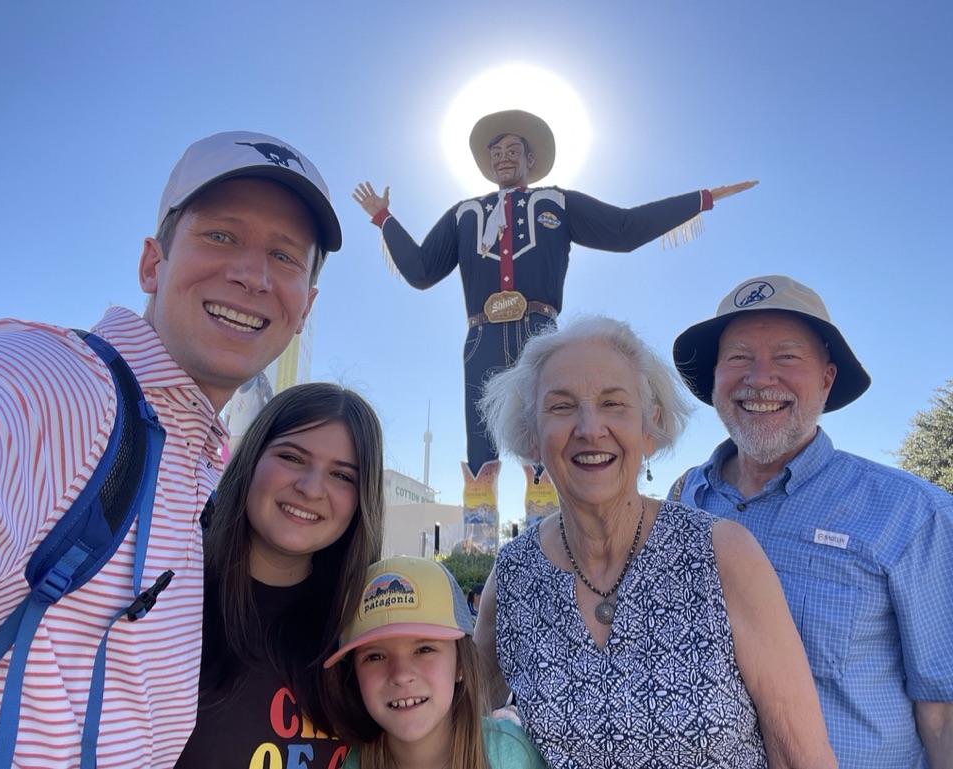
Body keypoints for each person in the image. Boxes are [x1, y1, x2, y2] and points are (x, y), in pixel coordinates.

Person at [0, 131, 343, 767]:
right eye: (222, 235)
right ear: (153, 263)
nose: (253, 275)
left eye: (286, 257)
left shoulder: (200, 468)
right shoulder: (56, 385)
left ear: (306, 306)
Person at [354, 108, 756, 535]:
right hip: (481, 336)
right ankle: (477, 548)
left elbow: (625, 227)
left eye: (513, 150)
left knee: (548, 437)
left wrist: (702, 199)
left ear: (530, 159)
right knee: (479, 448)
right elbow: (420, 269)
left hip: (537, 335)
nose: (504, 158)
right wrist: (384, 218)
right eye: (496, 152)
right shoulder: (464, 214)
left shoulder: (556, 203)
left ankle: (547, 544)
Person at [474, 315, 837, 768]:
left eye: (614, 404)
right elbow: (456, 732)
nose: (590, 427)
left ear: (649, 428)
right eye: (562, 407)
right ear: (532, 436)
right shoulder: (513, 578)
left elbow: (801, 755)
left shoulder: (723, 554)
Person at [671, 275, 953, 769]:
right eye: (738, 357)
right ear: (715, 377)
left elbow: (944, 714)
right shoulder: (681, 502)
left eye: (787, 357)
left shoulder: (913, 515)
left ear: (825, 380)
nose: (759, 378)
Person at [176, 382, 385, 768]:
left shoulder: (365, 631)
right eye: (291, 457)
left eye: (342, 476)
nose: (310, 488)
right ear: (251, 458)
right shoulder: (169, 596)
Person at [323, 556, 545, 769]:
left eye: (424, 649)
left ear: (460, 664)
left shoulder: (516, 753)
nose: (401, 675)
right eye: (375, 656)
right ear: (354, 675)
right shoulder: (343, 761)